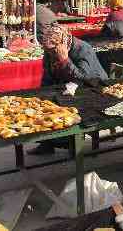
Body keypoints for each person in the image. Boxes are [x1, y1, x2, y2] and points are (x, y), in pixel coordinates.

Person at [30, 24, 108, 155]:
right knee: (44, 104)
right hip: (67, 84)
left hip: (92, 86)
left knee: (70, 107)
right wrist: (42, 94)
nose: (50, 53)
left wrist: (65, 60)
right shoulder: (50, 50)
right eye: (48, 51)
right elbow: (48, 74)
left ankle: (74, 143)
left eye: (53, 50)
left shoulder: (83, 49)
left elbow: (84, 77)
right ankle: (46, 143)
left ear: (63, 43)